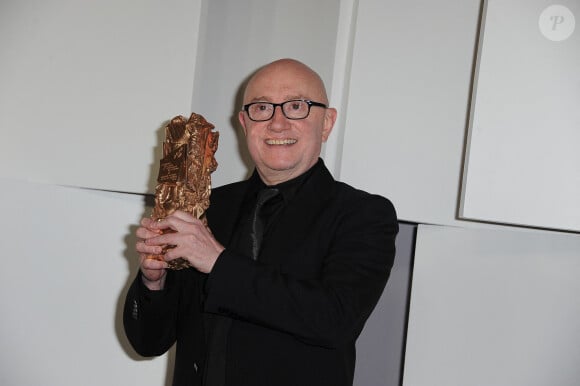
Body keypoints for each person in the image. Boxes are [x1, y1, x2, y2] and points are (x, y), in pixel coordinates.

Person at [124, 58, 398, 386]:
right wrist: (154, 281)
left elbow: (335, 320)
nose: (277, 123)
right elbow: (148, 341)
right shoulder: (208, 207)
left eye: (296, 106)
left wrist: (217, 262)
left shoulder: (363, 215)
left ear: (326, 122)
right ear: (244, 122)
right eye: (262, 108)